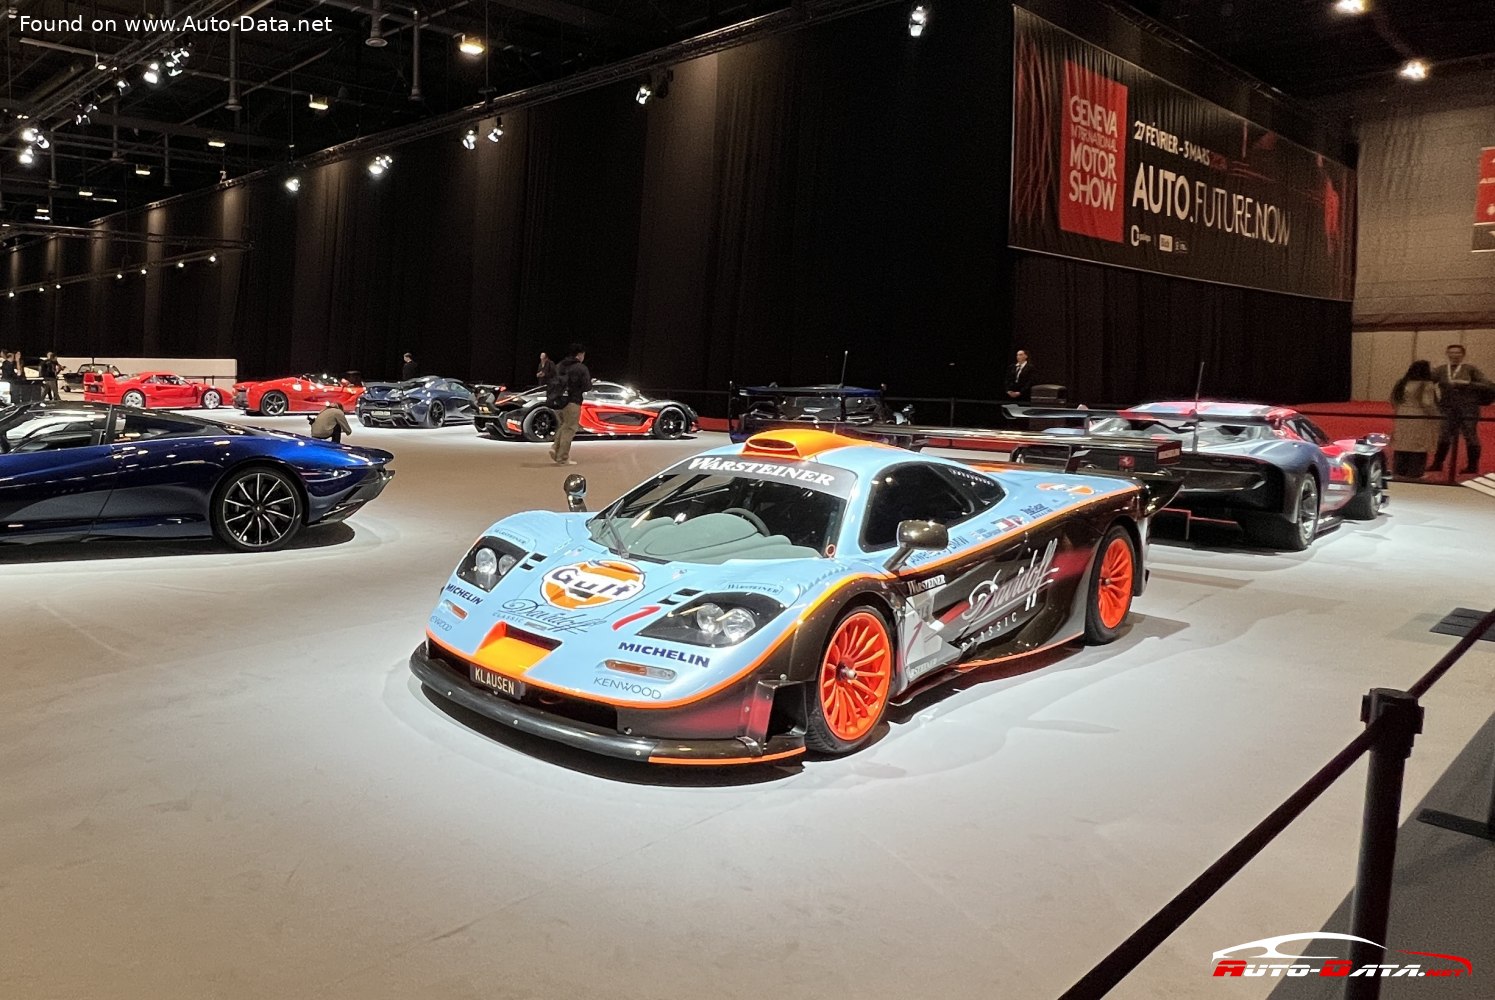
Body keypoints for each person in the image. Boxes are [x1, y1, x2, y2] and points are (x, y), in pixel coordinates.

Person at [1429, 344, 1492, 475]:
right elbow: (1427, 384)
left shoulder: (1470, 369)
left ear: (1463, 355)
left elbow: (1487, 384)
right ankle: (1437, 463)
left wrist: (1468, 384)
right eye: (1451, 352)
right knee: (1444, 435)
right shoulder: (1441, 370)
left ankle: (1472, 466)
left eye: (1457, 353)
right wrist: (1435, 402)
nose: (1454, 355)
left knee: (1470, 435)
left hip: (1468, 408)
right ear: (1447, 354)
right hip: (1447, 408)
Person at [1389, 360, 1440, 480]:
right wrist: (1436, 416)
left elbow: (1394, 400)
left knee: (1401, 444)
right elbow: (1427, 403)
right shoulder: (1426, 384)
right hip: (1419, 416)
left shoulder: (1402, 382)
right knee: (1418, 446)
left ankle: (1399, 471)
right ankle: (1415, 473)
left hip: (1402, 415)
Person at [549, 344, 591, 466]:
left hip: (558, 401)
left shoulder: (559, 365)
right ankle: (562, 457)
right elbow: (587, 386)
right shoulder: (580, 368)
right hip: (573, 401)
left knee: (564, 425)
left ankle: (555, 448)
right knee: (570, 428)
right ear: (580, 354)